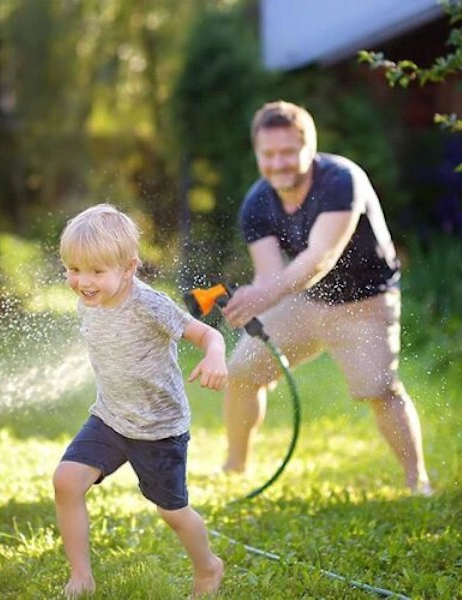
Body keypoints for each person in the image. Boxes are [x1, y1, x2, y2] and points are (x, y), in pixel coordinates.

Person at [222, 100, 432, 495]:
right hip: (304, 299)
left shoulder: (340, 180)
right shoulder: (257, 203)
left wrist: (267, 293)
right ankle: (234, 468)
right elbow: (269, 275)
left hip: (365, 302)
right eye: (268, 154)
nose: (278, 163)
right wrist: (252, 300)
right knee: (242, 370)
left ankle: (417, 482)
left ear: (309, 147)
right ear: (257, 153)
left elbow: (320, 258)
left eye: (288, 152)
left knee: (379, 390)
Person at [53, 203, 226, 598]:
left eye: (97, 271)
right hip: (111, 418)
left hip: (159, 429)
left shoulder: (150, 305)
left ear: (129, 269)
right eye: (74, 269)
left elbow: (208, 336)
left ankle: (209, 567)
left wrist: (215, 357)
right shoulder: (88, 299)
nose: (83, 281)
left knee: (173, 512)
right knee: (66, 481)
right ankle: (81, 576)